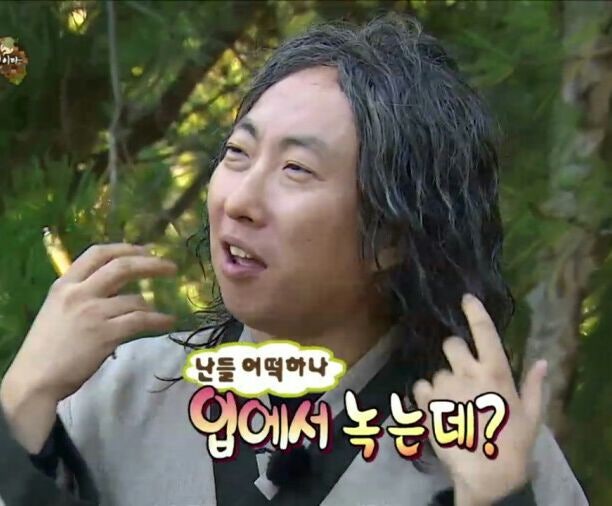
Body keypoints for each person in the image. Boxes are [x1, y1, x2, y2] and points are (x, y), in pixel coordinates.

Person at [0, 16, 588, 506]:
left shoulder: (488, 442)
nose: (239, 200)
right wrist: (19, 406)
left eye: (296, 170)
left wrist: (500, 499)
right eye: (238, 152)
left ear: (391, 235)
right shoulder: (122, 393)